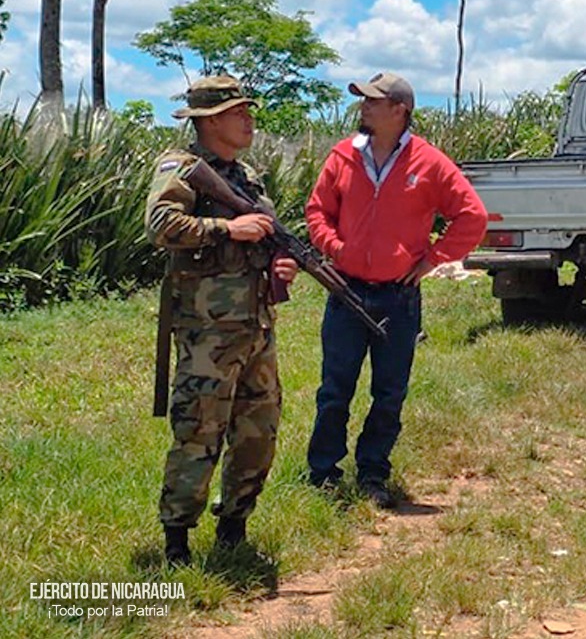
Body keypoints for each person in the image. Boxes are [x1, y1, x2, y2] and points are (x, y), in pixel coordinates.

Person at [304, 72, 487, 507]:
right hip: (346, 291)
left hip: (397, 298)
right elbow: (317, 211)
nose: (363, 107)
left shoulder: (429, 162)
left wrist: (433, 259)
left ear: (399, 110)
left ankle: (372, 474)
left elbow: (472, 216)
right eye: (363, 101)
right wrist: (336, 248)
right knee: (334, 389)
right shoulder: (343, 155)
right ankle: (323, 474)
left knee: (389, 393)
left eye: (373, 101)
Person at [145, 75, 298, 565]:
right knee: (198, 432)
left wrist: (281, 265)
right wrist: (227, 228)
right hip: (207, 331)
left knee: (258, 432)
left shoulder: (248, 177)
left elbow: (262, 238)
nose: (249, 121)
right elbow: (161, 225)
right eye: (238, 113)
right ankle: (177, 541)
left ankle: (234, 526)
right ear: (210, 121)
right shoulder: (181, 168)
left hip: (256, 328)